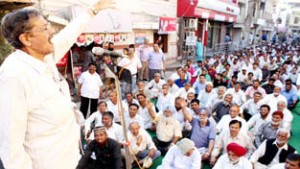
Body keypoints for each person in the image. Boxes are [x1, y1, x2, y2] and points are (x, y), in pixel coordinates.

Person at [0, 1, 114, 168]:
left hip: (72, 160)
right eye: (45, 28)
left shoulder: (44, 57)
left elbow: (68, 35)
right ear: (26, 39)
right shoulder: (14, 76)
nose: (52, 31)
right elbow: (10, 149)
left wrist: (93, 10)